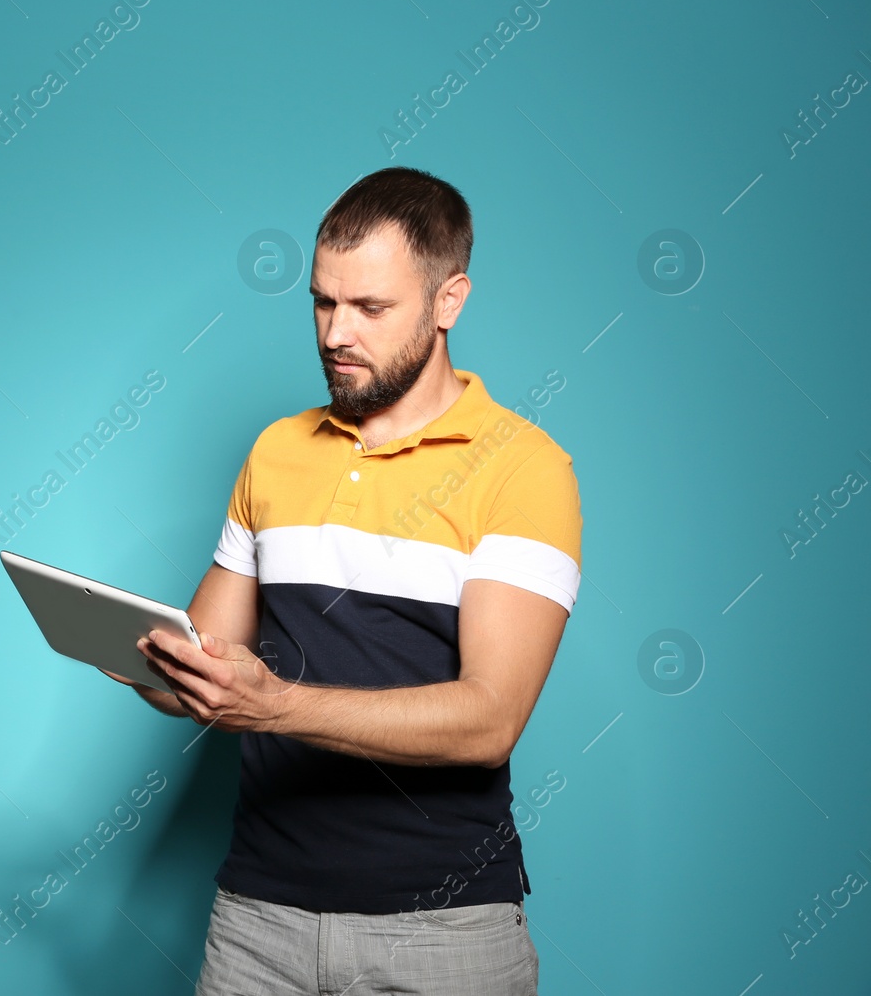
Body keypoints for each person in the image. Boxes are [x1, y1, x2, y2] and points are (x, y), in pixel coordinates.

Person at [104, 166, 582, 996]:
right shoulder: (276, 451)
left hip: (442, 930)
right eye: (323, 302)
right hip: (257, 918)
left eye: (370, 308)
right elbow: (206, 665)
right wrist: (134, 652)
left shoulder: (525, 470)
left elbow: (490, 718)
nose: (335, 333)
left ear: (448, 301)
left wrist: (274, 704)